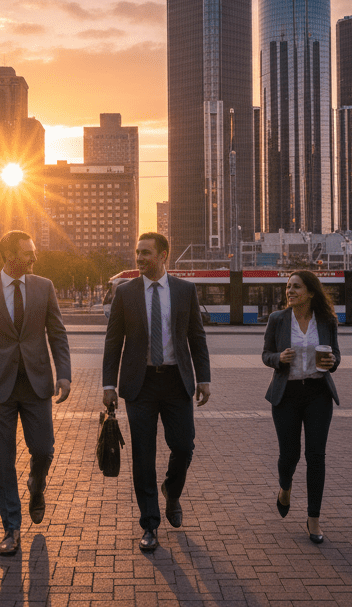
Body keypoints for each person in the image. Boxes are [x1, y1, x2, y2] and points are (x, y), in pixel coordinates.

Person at [0, 230, 71, 556]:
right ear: (10, 255)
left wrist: (63, 375)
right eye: (28, 253)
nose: (34, 258)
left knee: (44, 449)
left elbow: (58, 334)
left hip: (37, 384)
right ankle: (11, 528)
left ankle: (37, 485)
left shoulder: (44, 287)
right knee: (3, 459)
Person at [102, 232, 211, 552]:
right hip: (141, 385)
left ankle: (172, 492)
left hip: (177, 383)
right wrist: (109, 384)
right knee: (143, 456)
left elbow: (197, 337)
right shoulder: (125, 292)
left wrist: (203, 378)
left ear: (164, 255)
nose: (140, 258)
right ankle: (149, 523)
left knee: (183, 447)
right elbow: (113, 341)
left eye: (146, 253)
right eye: (137, 252)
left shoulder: (185, 290)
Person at [262, 271, 341, 544]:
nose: (290, 291)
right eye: (288, 287)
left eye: (296, 287)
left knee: (316, 456)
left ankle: (314, 519)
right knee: (290, 455)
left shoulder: (327, 320)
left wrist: (332, 361)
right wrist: (278, 358)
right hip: (287, 395)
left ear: (310, 292)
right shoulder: (278, 319)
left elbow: (336, 354)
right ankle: (285, 487)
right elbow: (265, 354)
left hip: (319, 393)